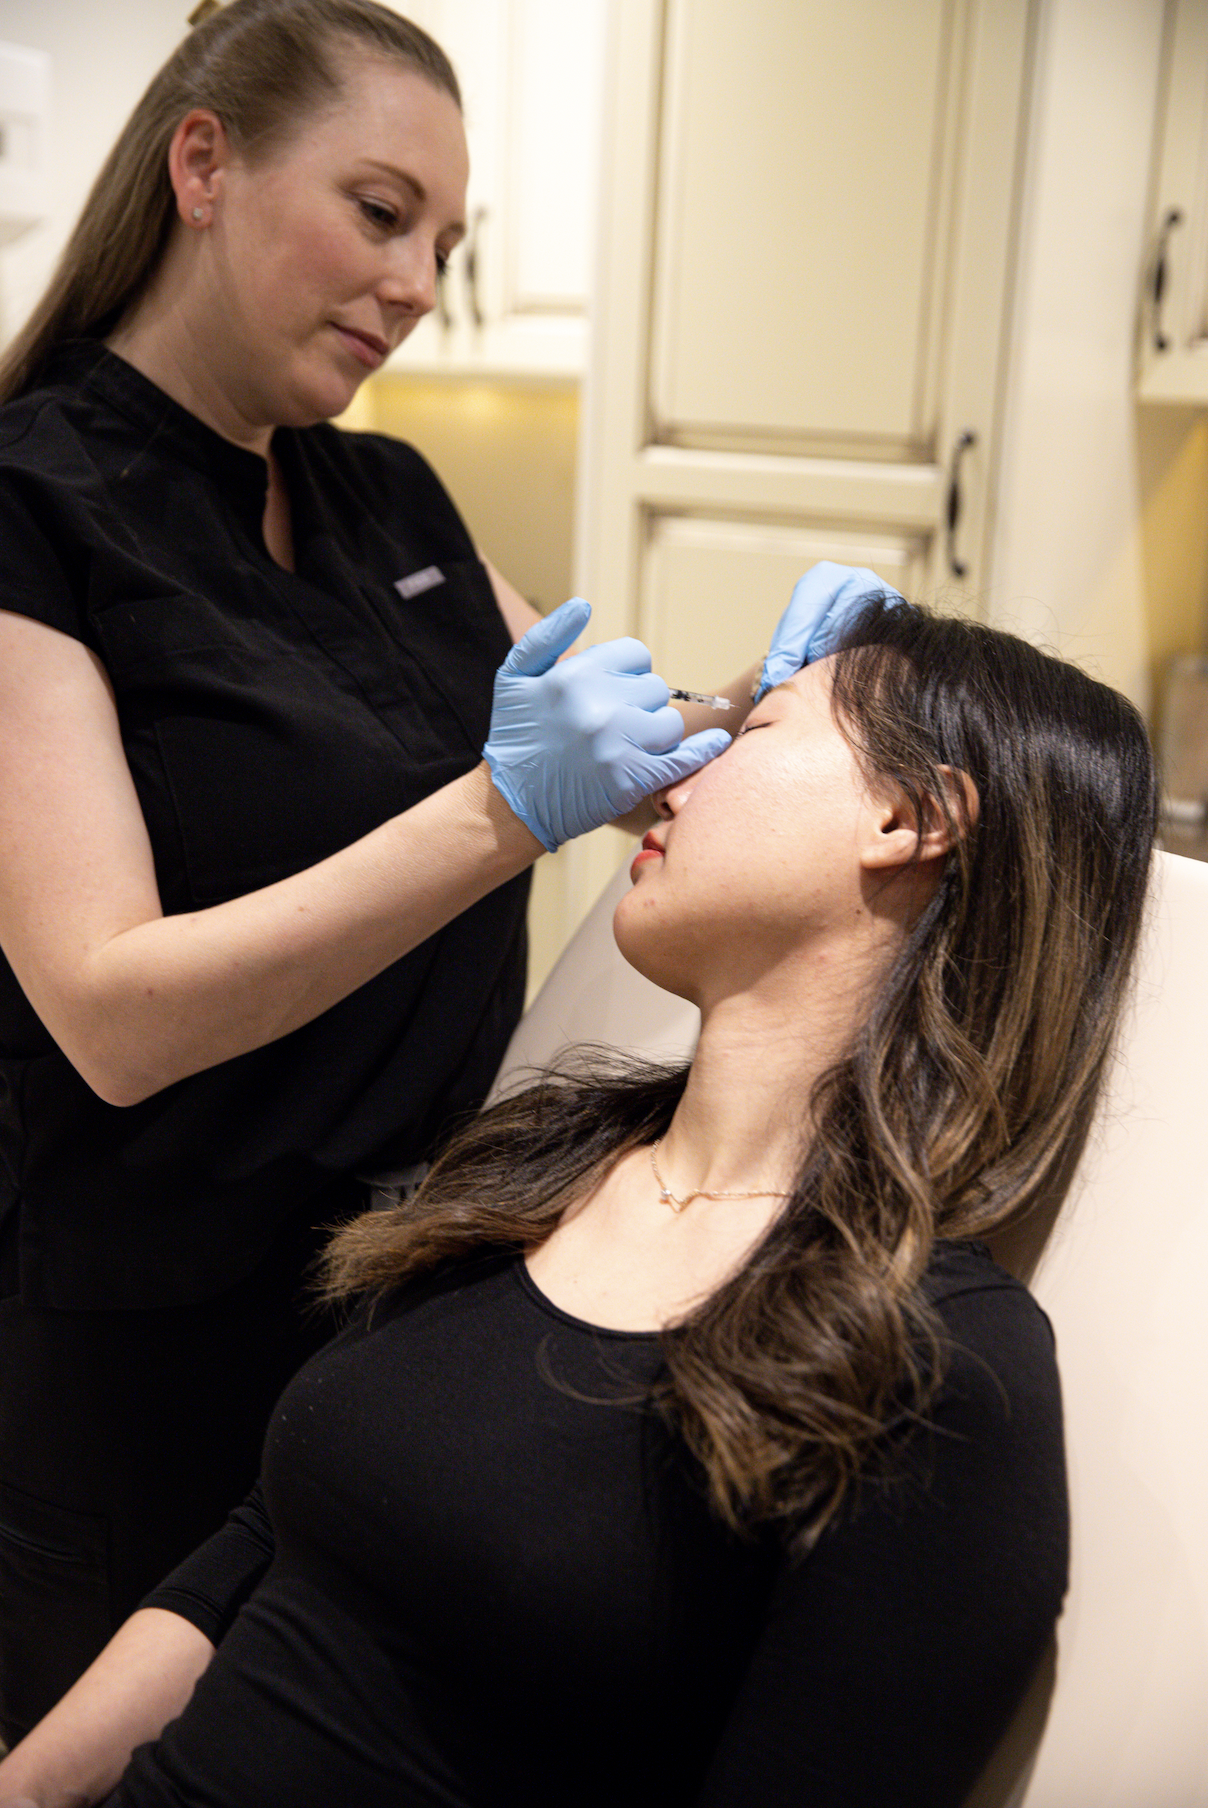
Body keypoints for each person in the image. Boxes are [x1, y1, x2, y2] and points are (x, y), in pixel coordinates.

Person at [0, 0, 858, 1741]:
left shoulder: (385, 495)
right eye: (379, 212)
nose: (413, 282)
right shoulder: (37, 509)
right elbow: (107, 1010)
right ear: (203, 165)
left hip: (401, 1304)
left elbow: (593, 751)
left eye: (444, 242)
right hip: (149, 1339)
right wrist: (502, 809)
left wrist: (764, 717)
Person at [0, 594, 1159, 1807]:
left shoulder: (932, 1369)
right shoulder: (536, 1164)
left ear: (907, 815)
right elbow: (263, 1550)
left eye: (754, 727)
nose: (665, 782)